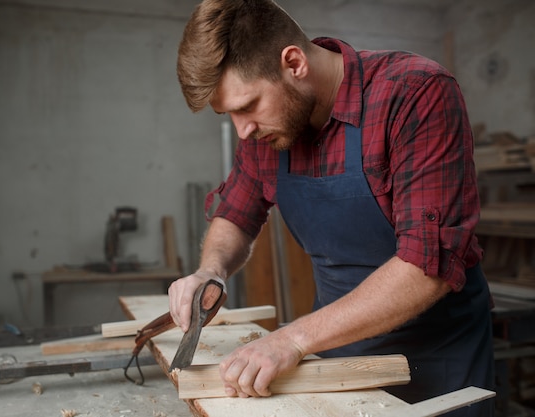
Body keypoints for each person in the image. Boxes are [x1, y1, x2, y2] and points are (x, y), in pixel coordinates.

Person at [168, 0, 495, 415]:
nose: (243, 129)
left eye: (247, 106)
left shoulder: (415, 93)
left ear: (294, 63)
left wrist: (291, 339)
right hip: (334, 348)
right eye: (229, 114)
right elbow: (236, 211)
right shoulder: (265, 132)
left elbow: (426, 266)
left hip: (439, 356)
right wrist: (209, 271)